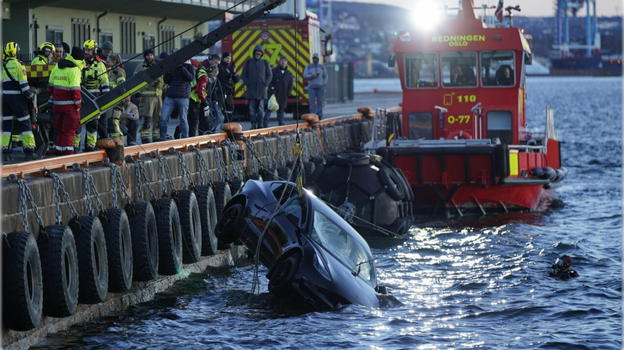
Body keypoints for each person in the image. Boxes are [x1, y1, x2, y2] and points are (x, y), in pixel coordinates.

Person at [1, 42, 37, 158]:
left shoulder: (3, 65)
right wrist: (30, 97)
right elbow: (24, 87)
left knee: (5, 126)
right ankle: (29, 151)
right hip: (17, 100)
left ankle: (5, 152)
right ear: (16, 52)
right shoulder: (19, 65)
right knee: (25, 123)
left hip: (4, 99)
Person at [48, 46, 83, 155]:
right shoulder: (75, 69)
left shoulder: (57, 67)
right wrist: (78, 106)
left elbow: (50, 86)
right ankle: (67, 152)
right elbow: (76, 91)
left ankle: (58, 150)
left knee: (59, 129)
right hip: (69, 106)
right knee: (69, 130)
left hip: (57, 105)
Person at [78, 39, 110, 152]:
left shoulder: (100, 65)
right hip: (81, 96)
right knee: (78, 123)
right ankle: (75, 148)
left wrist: (106, 98)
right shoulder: (79, 63)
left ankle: (90, 147)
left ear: (94, 51)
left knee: (93, 125)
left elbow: (105, 83)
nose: (86, 52)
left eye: (89, 50)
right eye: (85, 50)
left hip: (95, 97)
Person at [159, 60, 194, 140]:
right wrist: (170, 69)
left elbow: (190, 78)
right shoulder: (172, 66)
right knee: (163, 118)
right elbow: (166, 80)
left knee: (183, 119)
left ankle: (185, 139)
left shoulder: (189, 66)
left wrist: (181, 67)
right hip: (170, 96)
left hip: (183, 97)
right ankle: (162, 138)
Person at [242, 45, 272, 129]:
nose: (258, 54)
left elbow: (269, 75)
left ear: (262, 54)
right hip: (251, 90)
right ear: (254, 53)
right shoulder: (248, 62)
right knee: (251, 110)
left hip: (262, 90)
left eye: (259, 53)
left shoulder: (265, 62)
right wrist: (247, 83)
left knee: (260, 109)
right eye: (256, 53)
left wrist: (265, 84)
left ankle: (260, 125)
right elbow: (244, 75)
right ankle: (253, 125)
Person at [139, 49, 164, 143]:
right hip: (147, 97)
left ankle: (156, 136)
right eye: (148, 55)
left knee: (158, 118)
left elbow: (162, 80)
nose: (150, 57)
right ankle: (145, 137)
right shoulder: (141, 67)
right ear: (145, 57)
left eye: (151, 55)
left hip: (158, 97)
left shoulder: (158, 66)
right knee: (147, 118)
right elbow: (136, 81)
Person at [265, 56, 293, 126]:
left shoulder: (289, 74)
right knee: (269, 110)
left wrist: (288, 93)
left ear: (287, 63)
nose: (283, 62)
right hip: (273, 95)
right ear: (279, 62)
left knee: (281, 112)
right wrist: (271, 90)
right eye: (282, 61)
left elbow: (290, 84)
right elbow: (269, 81)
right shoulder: (273, 71)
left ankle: (281, 125)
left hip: (283, 95)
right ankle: (265, 124)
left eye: (285, 61)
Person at [188, 60, 209, 137]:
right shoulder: (203, 75)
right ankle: (194, 139)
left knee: (193, 121)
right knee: (195, 121)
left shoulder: (195, 71)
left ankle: (194, 137)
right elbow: (200, 90)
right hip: (195, 99)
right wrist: (205, 103)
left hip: (192, 98)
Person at [303, 53, 327, 119]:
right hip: (311, 87)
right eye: (314, 58)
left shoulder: (322, 67)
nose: (315, 59)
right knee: (312, 102)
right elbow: (305, 75)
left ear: (318, 59)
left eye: (316, 58)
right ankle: (312, 115)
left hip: (320, 87)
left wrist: (323, 84)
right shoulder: (308, 67)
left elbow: (325, 76)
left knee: (320, 101)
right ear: (312, 59)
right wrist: (311, 76)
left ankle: (319, 115)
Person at [203, 64, 225, 134]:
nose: (215, 75)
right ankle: (214, 131)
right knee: (210, 117)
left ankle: (215, 131)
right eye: (215, 73)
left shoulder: (215, 79)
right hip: (206, 100)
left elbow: (216, 91)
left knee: (219, 117)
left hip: (214, 100)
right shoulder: (206, 78)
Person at [218, 52, 238, 119]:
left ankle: (228, 122)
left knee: (230, 107)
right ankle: (221, 124)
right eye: (227, 58)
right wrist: (229, 74)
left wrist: (234, 74)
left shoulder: (231, 66)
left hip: (229, 91)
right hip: (221, 91)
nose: (228, 59)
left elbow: (236, 80)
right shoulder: (220, 66)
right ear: (223, 58)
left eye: (229, 58)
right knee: (221, 107)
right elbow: (221, 76)